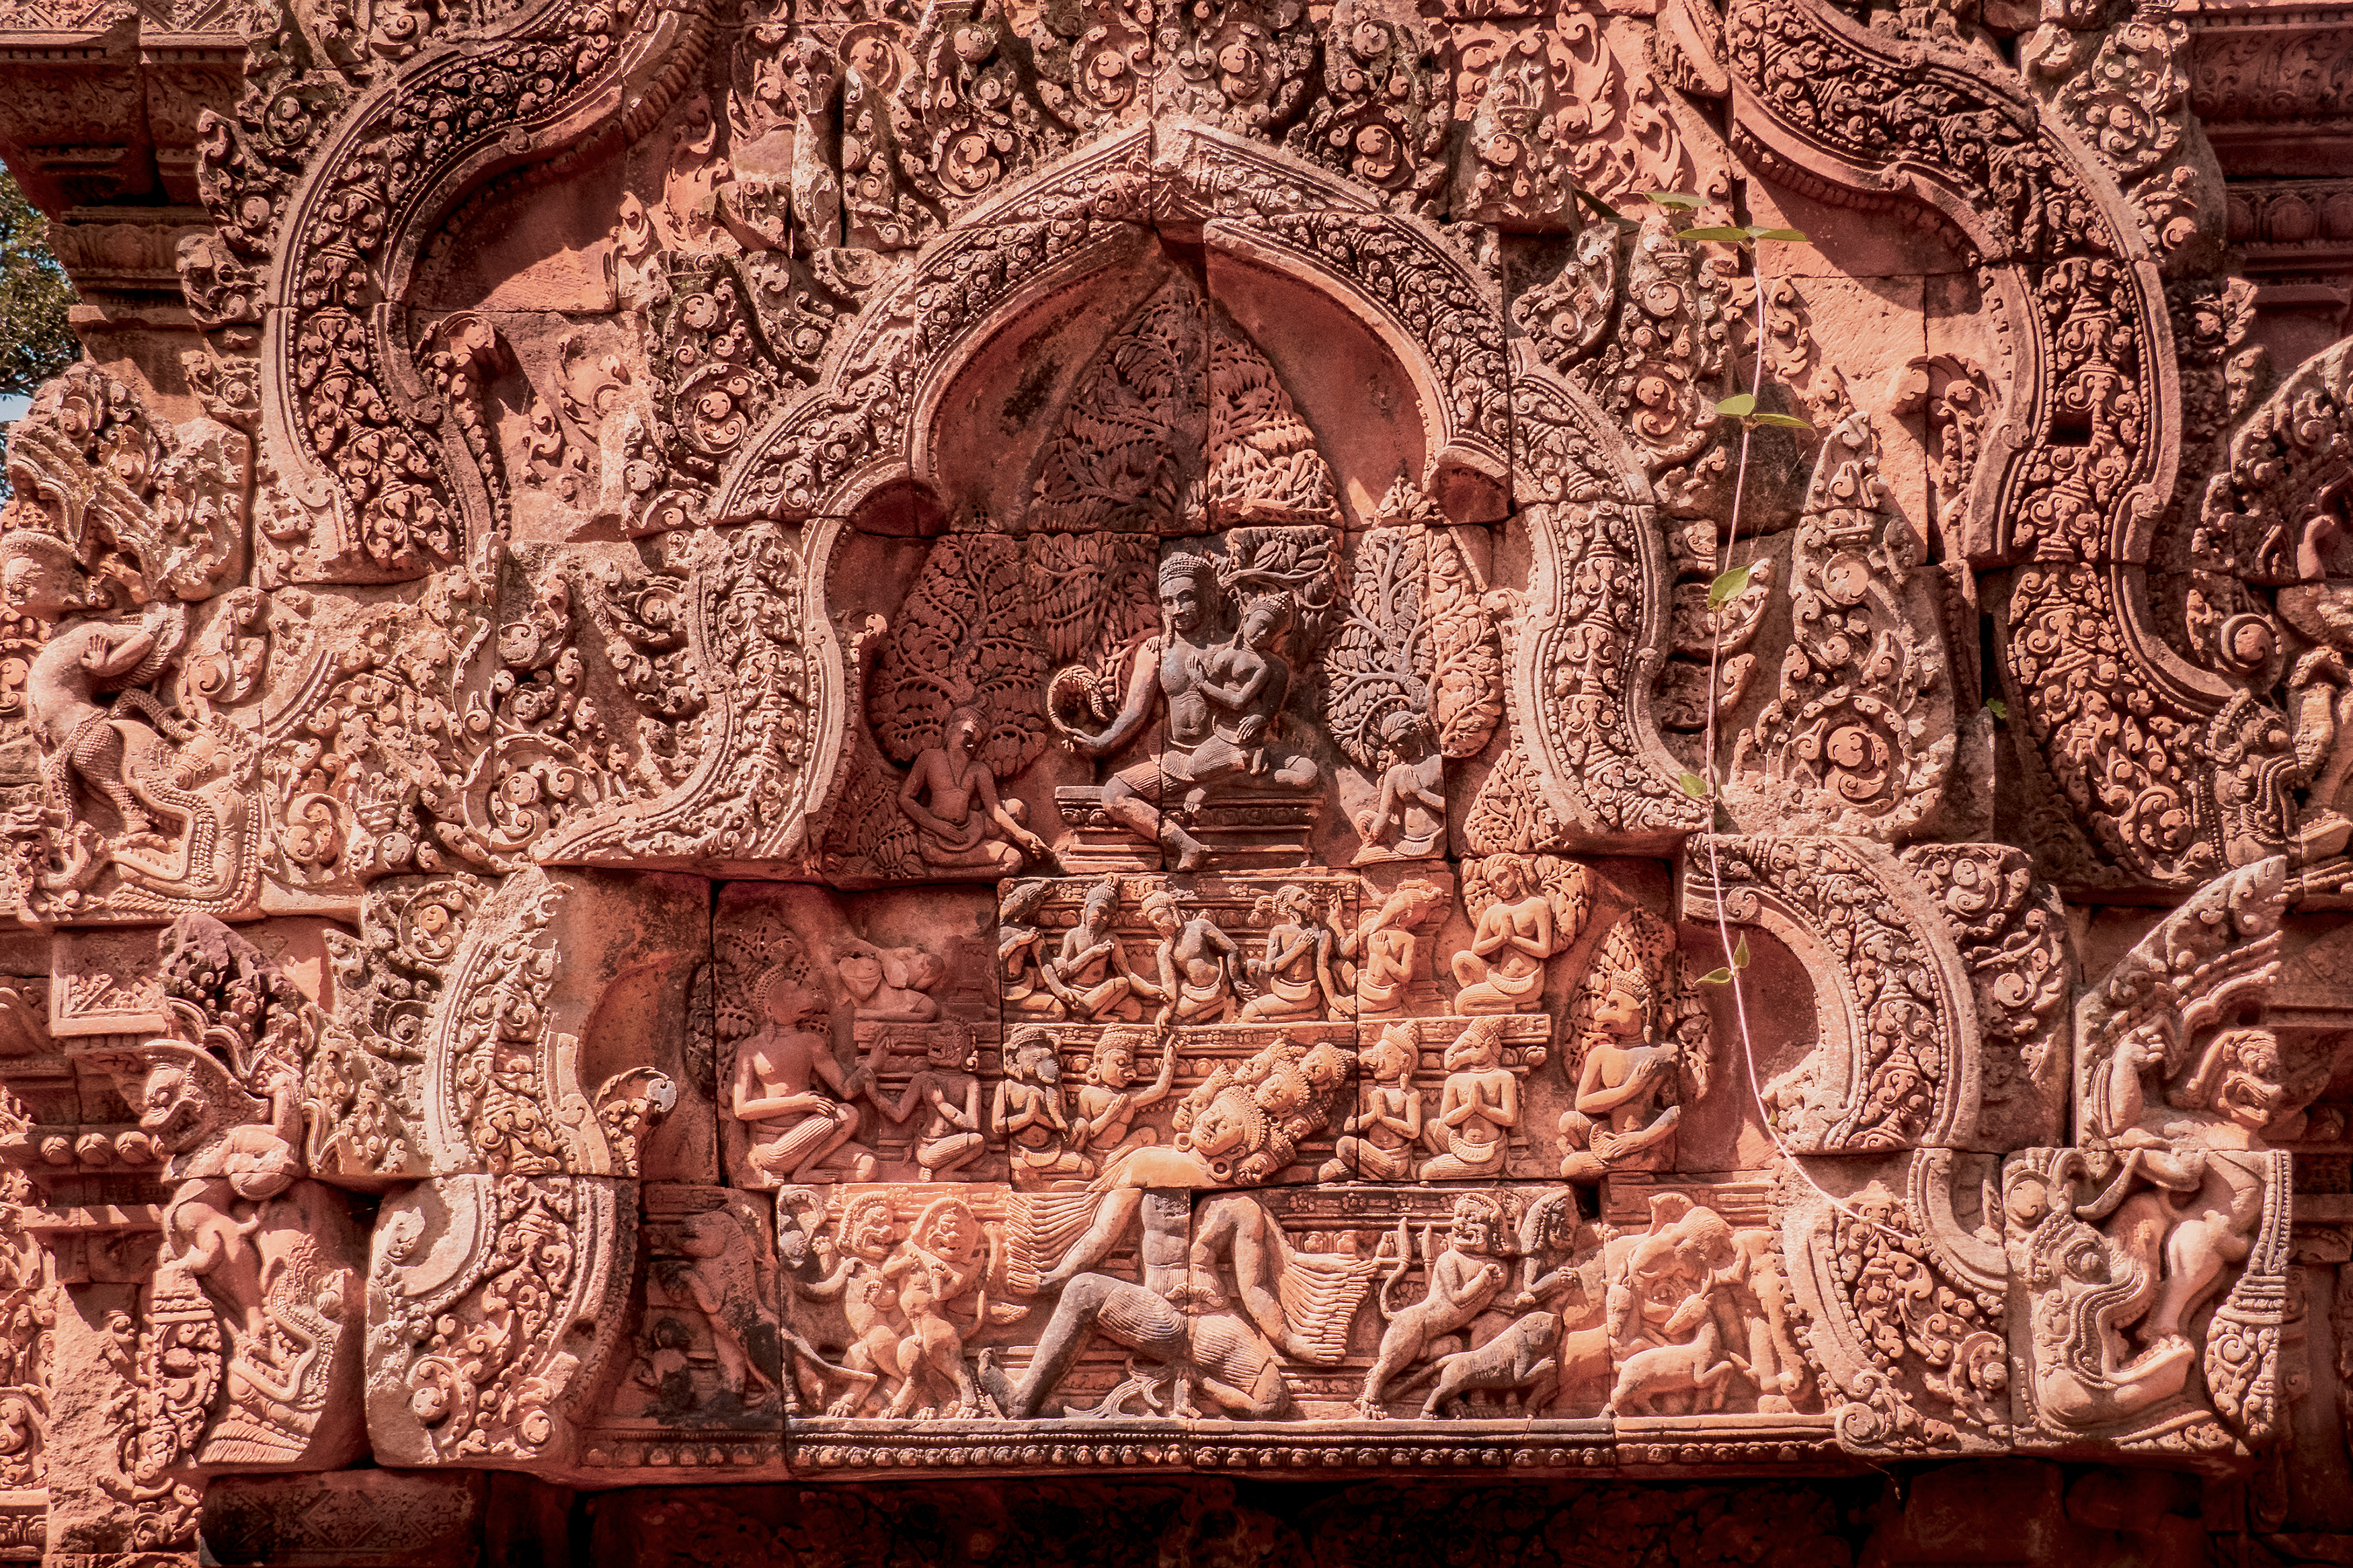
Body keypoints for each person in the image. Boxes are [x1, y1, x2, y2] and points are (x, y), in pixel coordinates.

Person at [1053, 555, 1314, 870]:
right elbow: (1134, 714)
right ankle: (1185, 844)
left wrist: (1259, 720)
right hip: (1174, 758)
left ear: (1207, 597)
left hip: (1226, 748)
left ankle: (1222, 779)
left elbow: (1271, 675)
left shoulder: (1231, 650)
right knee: (1113, 796)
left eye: (1186, 597)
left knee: (1308, 775)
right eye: (1167, 601)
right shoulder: (1156, 651)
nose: (1177, 609)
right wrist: (1101, 744)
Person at [729, 971, 877, 1183]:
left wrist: (873, 1063)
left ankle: (805, 1172)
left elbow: (846, 1089)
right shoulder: (751, 1048)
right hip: (774, 1148)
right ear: (769, 1007)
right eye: (790, 995)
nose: (800, 997)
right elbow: (742, 1109)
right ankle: (799, 1171)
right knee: (847, 1114)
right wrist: (800, 1104)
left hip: (815, 1140)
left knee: (868, 1166)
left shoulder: (811, 1043)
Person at [1558, 966, 1681, 1181]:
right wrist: (1629, 1090)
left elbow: (1675, 1112)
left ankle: (1628, 1165)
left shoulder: (1665, 1054)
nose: (1601, 1012)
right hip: (1606, 1133)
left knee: (1571, 1168)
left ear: (1644, 1011)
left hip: (1640, 1141)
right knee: (1568, 1121)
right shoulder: (1601, 1054)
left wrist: (1641, 1139)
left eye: (1614, 1005)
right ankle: (1609, 1159)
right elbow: (1583, 1104)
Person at [895, 704, 1051, 874]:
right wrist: (936, 825)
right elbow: (905, 798)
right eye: (968, 735)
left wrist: (1021, 835)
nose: (971, 746)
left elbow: (995, 811)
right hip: (936, 838)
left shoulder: (979, 770)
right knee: (1013, 861)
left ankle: (960, 863)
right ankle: (941, 874)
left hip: (969, 831)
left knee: (1015, 811)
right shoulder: (930, 758)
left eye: (976, 742)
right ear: (951, 728)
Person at [1451, 855, 1558, 1014]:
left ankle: (1519, 1005)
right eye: (1493, 884)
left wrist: (1512, 939)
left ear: (1517, 874)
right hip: (1498, 975)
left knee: (1463, 1003)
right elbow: (1477, 949)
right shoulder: (1494, 911)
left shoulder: (1537, 905)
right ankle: (1504, 1002)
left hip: (1525, 982)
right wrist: (1501, 939)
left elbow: (1543, 950)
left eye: (1502, 877)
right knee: (1460, 959)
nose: (1498, 886)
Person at [1419, 1016, 1519, 1179]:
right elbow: (1446, 1119)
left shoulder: (1504, 1077)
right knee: (1432, 1126)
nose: (1466, 1053)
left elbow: (1510, 1119)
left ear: (1490, 1042)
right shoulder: (1455, 1080)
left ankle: (1481, 1171)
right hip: (1459, 1144)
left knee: (1426, 1172)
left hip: (1490, 1151)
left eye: (1472, 1047)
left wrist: (1482, 1108)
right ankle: (1458, 1164)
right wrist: (1469, 1108)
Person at [1354, 709, 1445, 858]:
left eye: (1403, 739)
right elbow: (1384, 814)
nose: (1400, 746)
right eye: (1394, 745)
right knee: (1364, 822)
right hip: (1403, 841)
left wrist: (1419, 792)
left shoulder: (1437, 763)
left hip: (1436, 838)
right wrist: (1370, 839)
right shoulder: (1395, 773)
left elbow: (1446, 807)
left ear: (1415, 734)